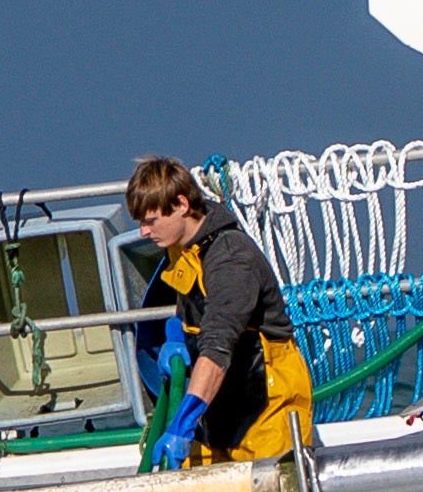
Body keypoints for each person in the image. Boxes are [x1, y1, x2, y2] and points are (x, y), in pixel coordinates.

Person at [125, 156, 307, 469]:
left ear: (181, 204)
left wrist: (182, 424)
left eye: (151, 220)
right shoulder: (182, 245)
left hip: (265, 398)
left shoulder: (231, 259)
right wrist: (176, 336)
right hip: (216, 402)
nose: (143, 231)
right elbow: (187, 303)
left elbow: (218, 347)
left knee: (271, 485)